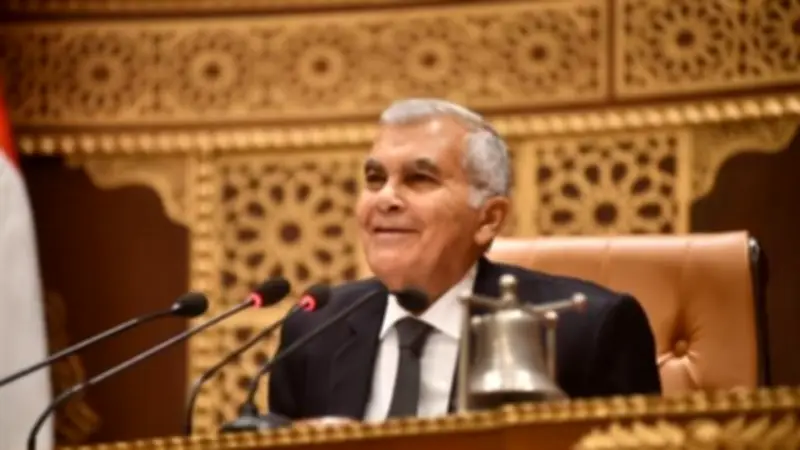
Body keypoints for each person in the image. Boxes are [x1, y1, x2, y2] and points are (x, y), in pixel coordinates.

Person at [267, 98, 661, 423]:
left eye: (419, 179)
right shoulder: (313, 329)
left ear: (488, 219)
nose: (385, 198)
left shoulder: (587, 331)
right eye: (375, 179)